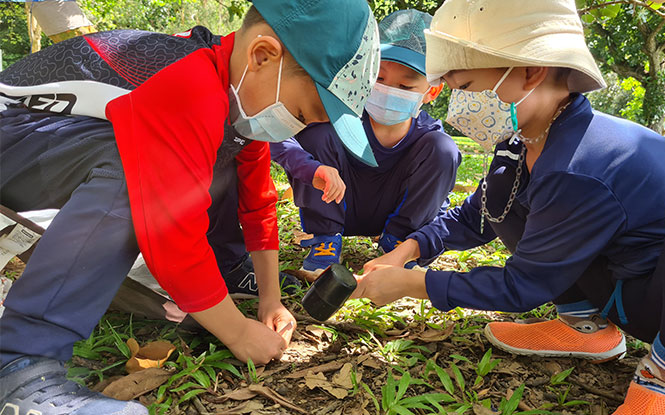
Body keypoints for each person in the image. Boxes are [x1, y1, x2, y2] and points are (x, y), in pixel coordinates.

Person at [0, 0, 380, 413]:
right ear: (262, 55)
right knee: (136, 166)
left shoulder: (237, 104)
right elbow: (173, 232)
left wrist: (271, 299)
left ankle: (212, 283)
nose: (300, 128)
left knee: (207, 169)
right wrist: (237, 333)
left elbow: (259, 206)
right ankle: (20, 365)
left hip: (42, 152)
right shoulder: (189, 80)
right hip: (16, 137)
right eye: (305, 113)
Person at [352, 0, 665, 413]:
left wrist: (415, 285)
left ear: (530, 72)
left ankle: (663, 372)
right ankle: (586, 326)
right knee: (507, 200)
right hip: (630, 288)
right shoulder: (525, 145)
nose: (458, 105)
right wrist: (409, 250)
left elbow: (524, 285)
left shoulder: (580, 165)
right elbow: (479, 213)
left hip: (655, 294)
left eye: (465, 87)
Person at [270, 9, 460, 276]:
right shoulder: (339, 114)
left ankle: (399, 242)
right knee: (318, 134)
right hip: (335, 203)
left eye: (405, 87)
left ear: (432, 91)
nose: (388, 90)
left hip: (392, 213)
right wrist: (309, 168)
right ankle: (325, 238)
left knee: (444, 149)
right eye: (379, 79)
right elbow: (278, 133)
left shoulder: (429, 140)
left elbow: (440, 195)